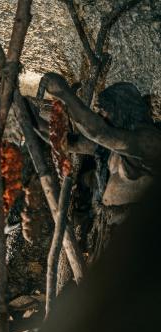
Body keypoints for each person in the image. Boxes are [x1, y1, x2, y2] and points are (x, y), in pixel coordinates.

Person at [37, 73, 161, 262]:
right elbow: (68, 143)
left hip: (134, 233)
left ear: (122, 109)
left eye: (104, 111)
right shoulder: (113, 148)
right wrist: (31, 119)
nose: (101, 116)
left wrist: (65, 94)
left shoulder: (148, 141)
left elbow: (99, 132)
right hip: (111, 228)